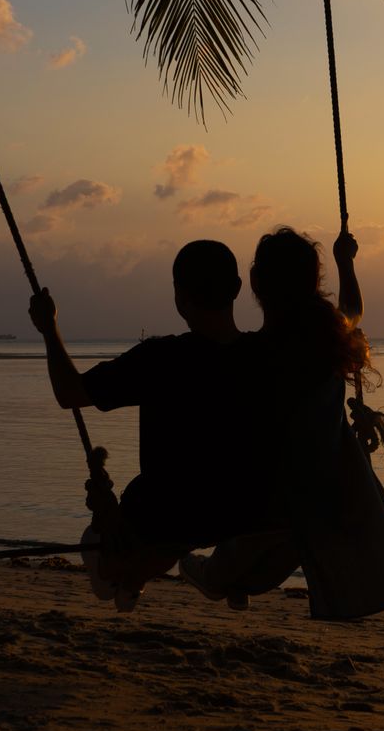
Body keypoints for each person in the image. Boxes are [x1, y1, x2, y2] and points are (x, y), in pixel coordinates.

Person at [178, 227, 384, 620]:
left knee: (238, 550)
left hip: (277, 495)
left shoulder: (255, 354)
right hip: (325, 492)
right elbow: (352, 308)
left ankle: (221, 577)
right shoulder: (329, 344)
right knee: (271, 546)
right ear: (314, 284)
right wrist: (345, 261)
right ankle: (234, 580)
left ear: (257, 285)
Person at [29, 240, 274, 611]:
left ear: (179, 297)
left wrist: (49, 329)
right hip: (234, 512)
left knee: (130, 538)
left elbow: (69, 392)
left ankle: (123, 571)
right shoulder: (264, 358)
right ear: (238, 289)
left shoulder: (161, 359)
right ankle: (145, 575)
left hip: (166, 514)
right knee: (179, 522)